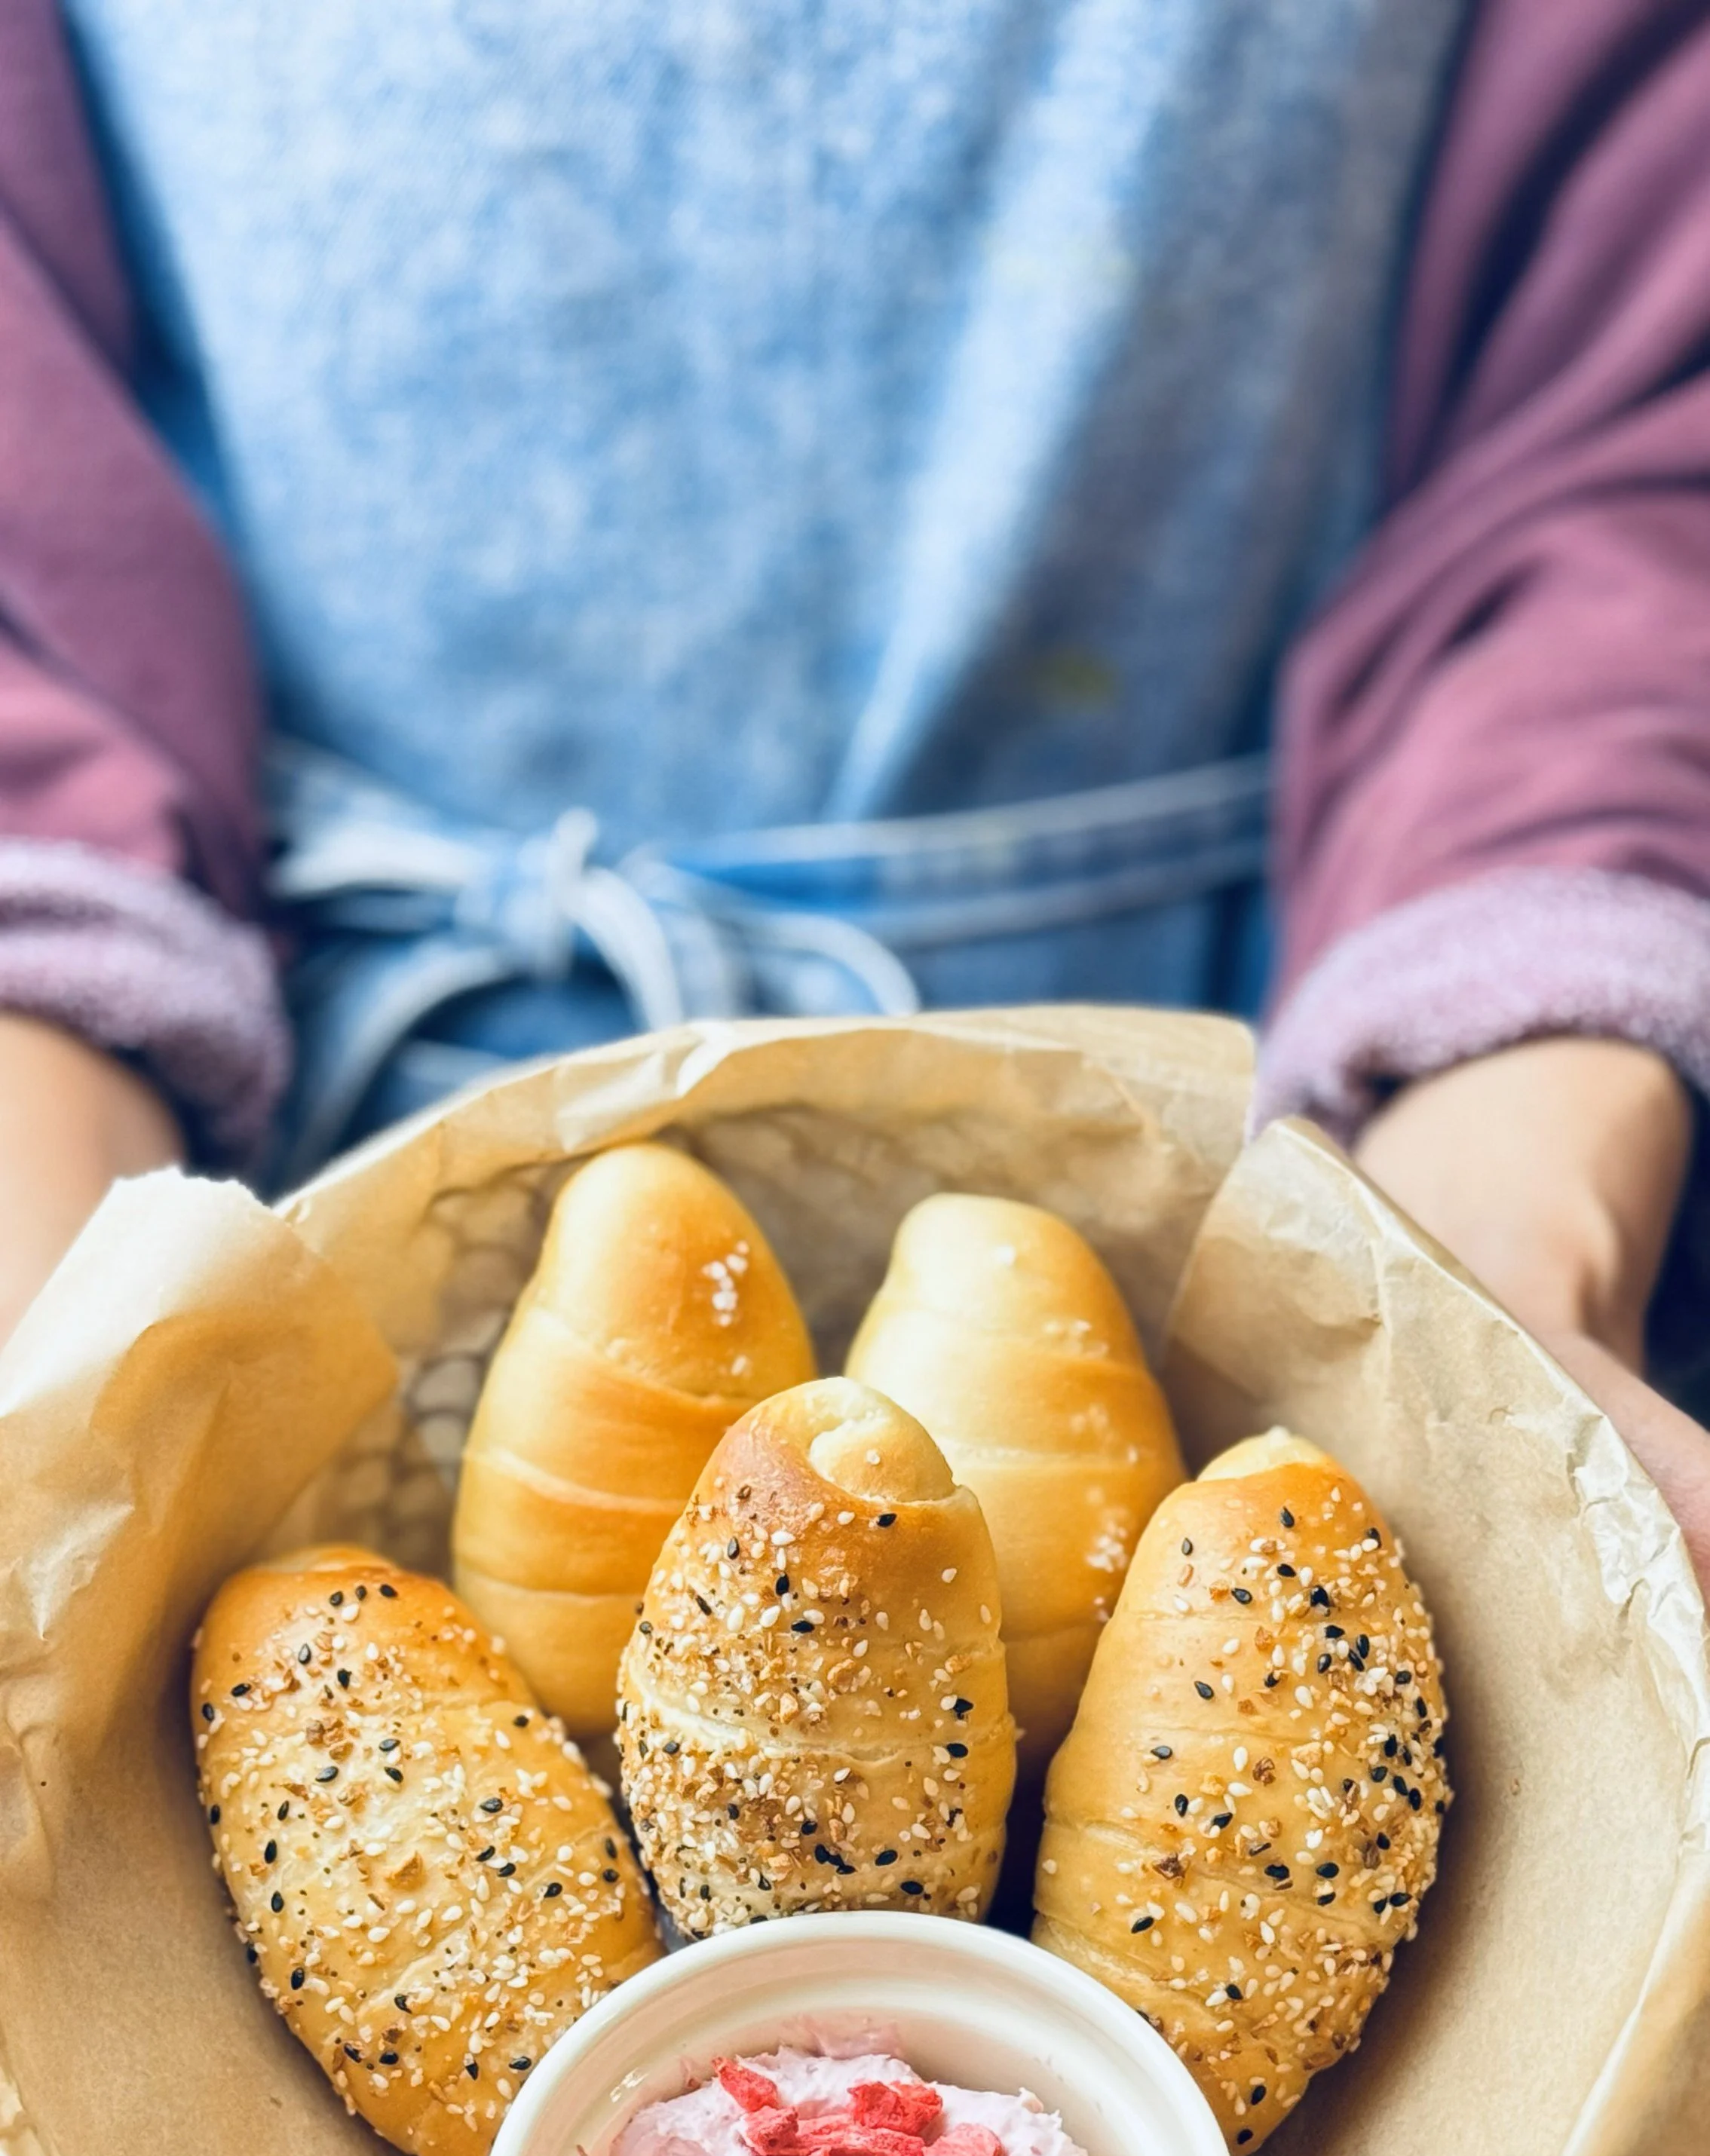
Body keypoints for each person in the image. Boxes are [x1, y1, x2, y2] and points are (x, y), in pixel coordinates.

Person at [2, 0, 1708, 1582]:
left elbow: (1622, 430)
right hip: (274, 1162)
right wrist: (50, 1336)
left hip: (1307, 1142)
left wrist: (1495, 1252)